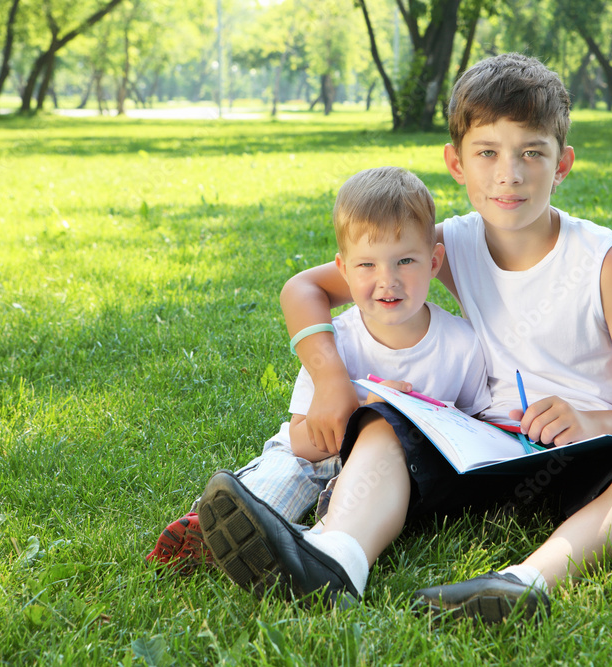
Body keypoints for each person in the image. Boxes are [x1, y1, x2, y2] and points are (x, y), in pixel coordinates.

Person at [196, 53, 612, 621]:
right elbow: (303, 290)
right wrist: (331, 380)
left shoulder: (601, 261)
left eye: (532, 152)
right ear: (456, 163)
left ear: (562, 165)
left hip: (583, 456)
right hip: (481, 452)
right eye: (487, 152)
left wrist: (593, 422)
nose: (508, 174)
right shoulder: (449, 244)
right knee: (388, 422)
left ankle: (525, 581)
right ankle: (334, 558)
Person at [149, 166, 490, 583]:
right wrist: (362, 408)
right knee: (284, 472)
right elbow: (301, 441)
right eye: (367, 264)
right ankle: (221, 526)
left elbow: (474, 432)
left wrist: (395, 420)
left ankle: (308, 543)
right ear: (342, 270)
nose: (388, 280)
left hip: (393, 470)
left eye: (406, 260)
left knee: (362, 494)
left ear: (434, 261)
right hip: (315, 453)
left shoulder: (461, 343)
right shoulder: (336, 342)